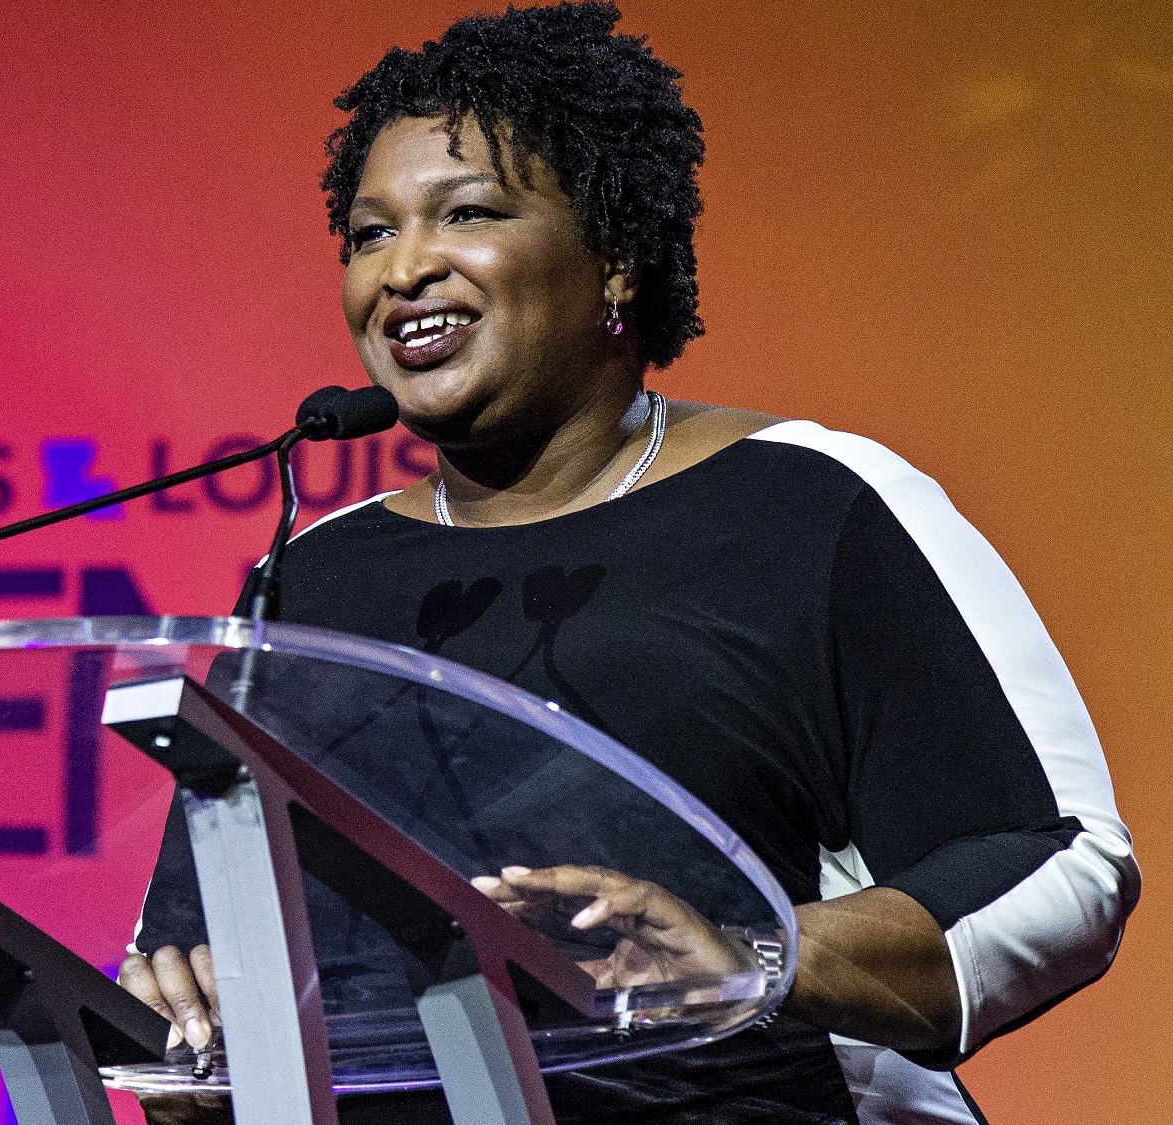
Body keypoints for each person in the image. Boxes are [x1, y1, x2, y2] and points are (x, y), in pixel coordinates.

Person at [117, 5, 1139, 1124]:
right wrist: (188, 1033)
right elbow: (191, 945)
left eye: (465, 214)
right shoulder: (312, 577)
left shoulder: (809, 504)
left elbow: (1051, 863)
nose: (401, 269)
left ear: (614, 255)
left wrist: (756, 955)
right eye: (367, 236)